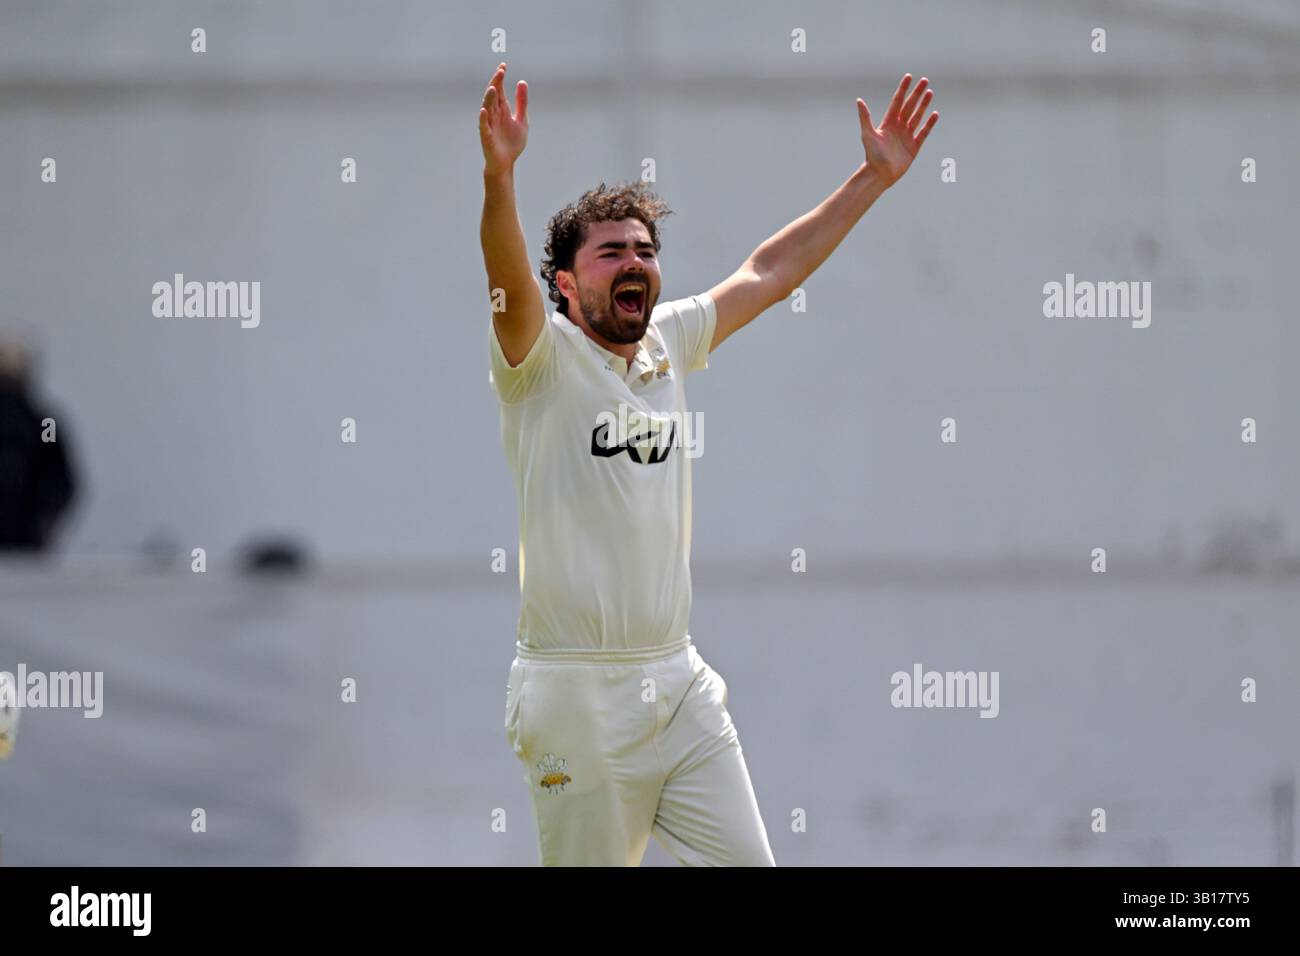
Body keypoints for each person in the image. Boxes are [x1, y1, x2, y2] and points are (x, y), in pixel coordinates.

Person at [479, 62, 937, 866]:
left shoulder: (670, 344)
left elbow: (770, 271)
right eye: (610, 251)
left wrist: (872, 179)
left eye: (646, 251)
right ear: (564, 282)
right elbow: (505, 281)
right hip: (576, 694)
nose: (635, 263)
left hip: (678, 682)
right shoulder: (539, 359)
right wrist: (499, 174)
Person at [0, 332, 78, 551]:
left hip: (26, 541)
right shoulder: (43, 423)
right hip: (27, 541)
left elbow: (57, 477)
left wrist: (45, 517)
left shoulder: (43, 424)